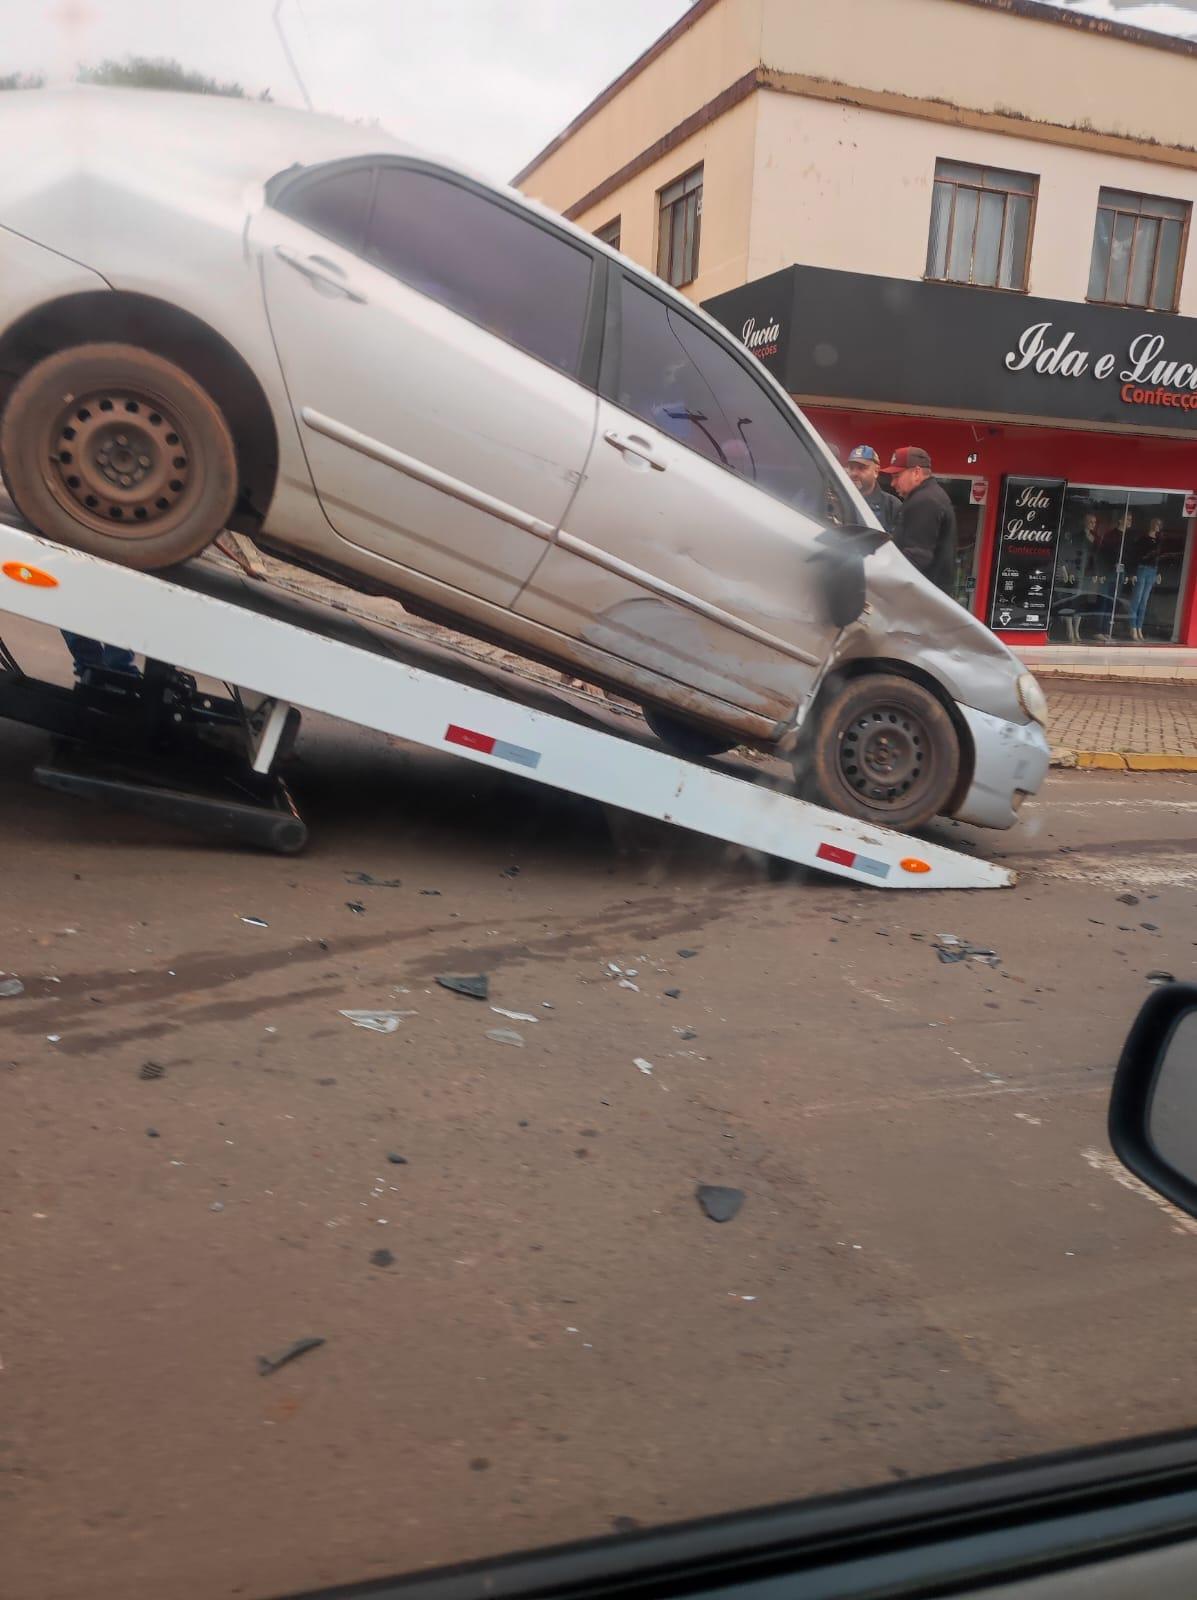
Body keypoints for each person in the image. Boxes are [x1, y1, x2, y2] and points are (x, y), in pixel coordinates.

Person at [884, 446, 957, 596]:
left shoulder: (924, 501)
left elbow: (917, 557)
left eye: (896, 476)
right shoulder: (930, 495)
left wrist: (883, 578)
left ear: (916, 472)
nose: (892, 483)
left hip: (920, 599)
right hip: (929, 596)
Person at [844, 444, 900, 534]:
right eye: (851, 468)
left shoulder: (891, 505)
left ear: (876, 471)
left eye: (861, 468)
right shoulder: (838, 499)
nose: (854, 473)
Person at [1127, 515, 1163, 642]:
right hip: (1142, 569)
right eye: (1156, 524)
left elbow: (1158, 558)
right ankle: (1132, 627)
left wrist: (1158, 572)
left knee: (1144, 601)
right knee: (1136, 599)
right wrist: (1132, 572)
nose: (1158, 527)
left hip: (1152, 571)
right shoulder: (1142, 539)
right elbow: (1135, 555)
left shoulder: (1158, 541)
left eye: (1159, 524)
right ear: (1152, 524)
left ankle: (1139, 627)